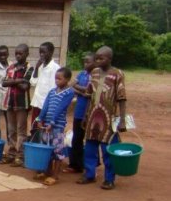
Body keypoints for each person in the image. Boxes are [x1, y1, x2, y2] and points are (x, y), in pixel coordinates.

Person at [78, 46, 127, 190]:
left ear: (109, 59)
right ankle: (89, 174)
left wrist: (122, 120)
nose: (98, 60)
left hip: (108, 118)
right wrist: (85, 116)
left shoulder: (117, 74)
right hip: (93, 117)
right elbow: (89, 95)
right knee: (89, 148)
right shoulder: (94, 72)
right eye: (97, 58)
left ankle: (109, 179)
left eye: (101, 58)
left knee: (108, 150)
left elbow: (122, 98)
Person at [37, 67, 75, 186]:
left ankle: (55, 175)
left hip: (57, 125)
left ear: (67, 79)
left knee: (57, 149)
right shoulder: (52, 91)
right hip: (47, 124)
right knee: (47, 147)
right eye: (55, 78)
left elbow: (61, 108)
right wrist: (40, 118)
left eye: (60, 78)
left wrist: (52, 123)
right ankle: (47, 171)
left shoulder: (69, 92)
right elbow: (45, 106)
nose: (57, 81)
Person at [1, 44, 34, 166]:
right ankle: (11, 152)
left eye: (21, 53)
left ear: (27, 54)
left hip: (22, 104)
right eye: (16, 54)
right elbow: (4, 83)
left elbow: (25, 86)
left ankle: (20, 155)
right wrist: (18, 80)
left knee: (21, 130)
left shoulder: (29, 68)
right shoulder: (11, 67)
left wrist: (12, 81)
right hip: (10, 102)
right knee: (11, 129)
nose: (18, 56)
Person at [66, 53, 95, 174]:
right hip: (79, 112)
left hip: (89, 113)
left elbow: (91, 90)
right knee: (76, 139)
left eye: (88, 62)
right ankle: (75, 164)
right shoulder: (82, 74)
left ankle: (88, 166)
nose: (85, 64)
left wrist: (81, 89)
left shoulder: (95, 75)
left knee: (89, 140)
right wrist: (83, 91)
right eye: (85, 62)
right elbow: (71, 85)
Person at [30, 42, 60, 131]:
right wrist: (36, 68)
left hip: (46, 104)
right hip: (37, 102)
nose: (41, 55)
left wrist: (50, 104)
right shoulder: (40, 66)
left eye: (44, 52)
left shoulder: (55, 68)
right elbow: (33, 82)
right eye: (40, 52)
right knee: (34, 127)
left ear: (51, 52)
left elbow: (53, 88)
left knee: (44, 127)